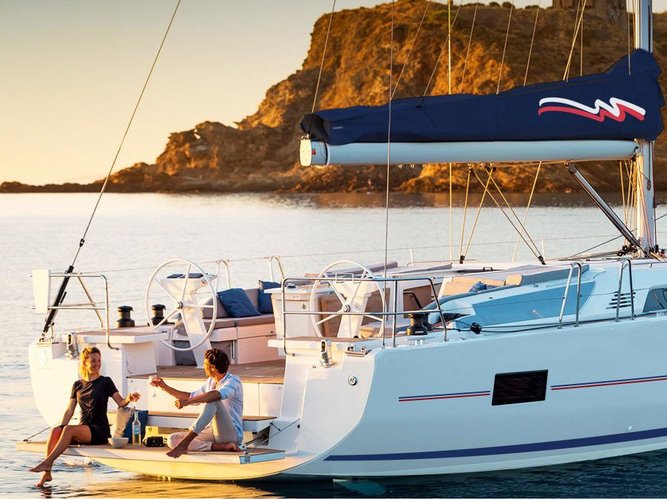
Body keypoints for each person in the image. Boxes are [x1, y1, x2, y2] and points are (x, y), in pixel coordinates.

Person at [29, 346, 140, 487]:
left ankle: (47, 463)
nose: (97, 364)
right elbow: (69, 409)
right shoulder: (77, 385)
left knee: (68, 430)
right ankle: (47, 473)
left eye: (99, 360)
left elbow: (121, 402)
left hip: (98, 430)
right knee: (56, 430)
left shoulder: (105, 381)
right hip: (83, 428)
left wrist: (129, 398)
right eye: (93, 361)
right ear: (85, 362)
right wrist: (61, 427)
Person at [150, 348, 243, 458]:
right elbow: (191, 396)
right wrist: (164, 386)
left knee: (213, 401)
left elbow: (216, 395)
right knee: (173, 439)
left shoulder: (233, 381)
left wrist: (187, 402)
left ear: (213, 367)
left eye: (205, 364)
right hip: (211, 431)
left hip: (230, 434)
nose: (204, 367)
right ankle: (220, 447)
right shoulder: (211, 381)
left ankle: (185, 443)